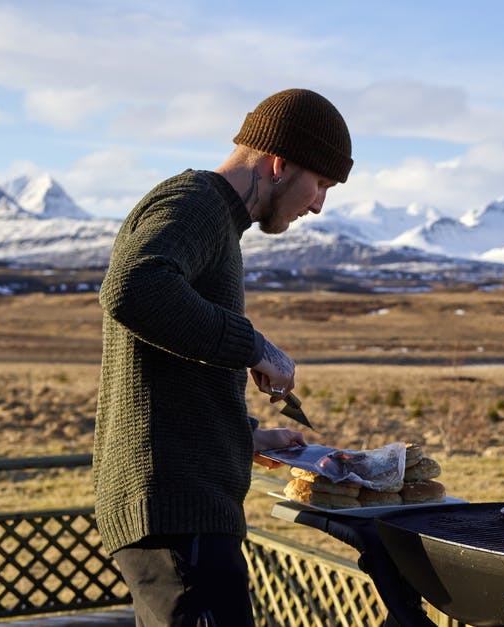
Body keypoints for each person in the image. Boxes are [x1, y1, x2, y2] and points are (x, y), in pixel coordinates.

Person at [93, 88, 352, 626]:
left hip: (179, 509)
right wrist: (255, 346)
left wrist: (242, 435)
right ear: (279, 162)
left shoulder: (210, 215)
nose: (320, 203)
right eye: (321, 183)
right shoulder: (197, 202)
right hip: (176, 513)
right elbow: (132, 290)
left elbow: (167, 375)